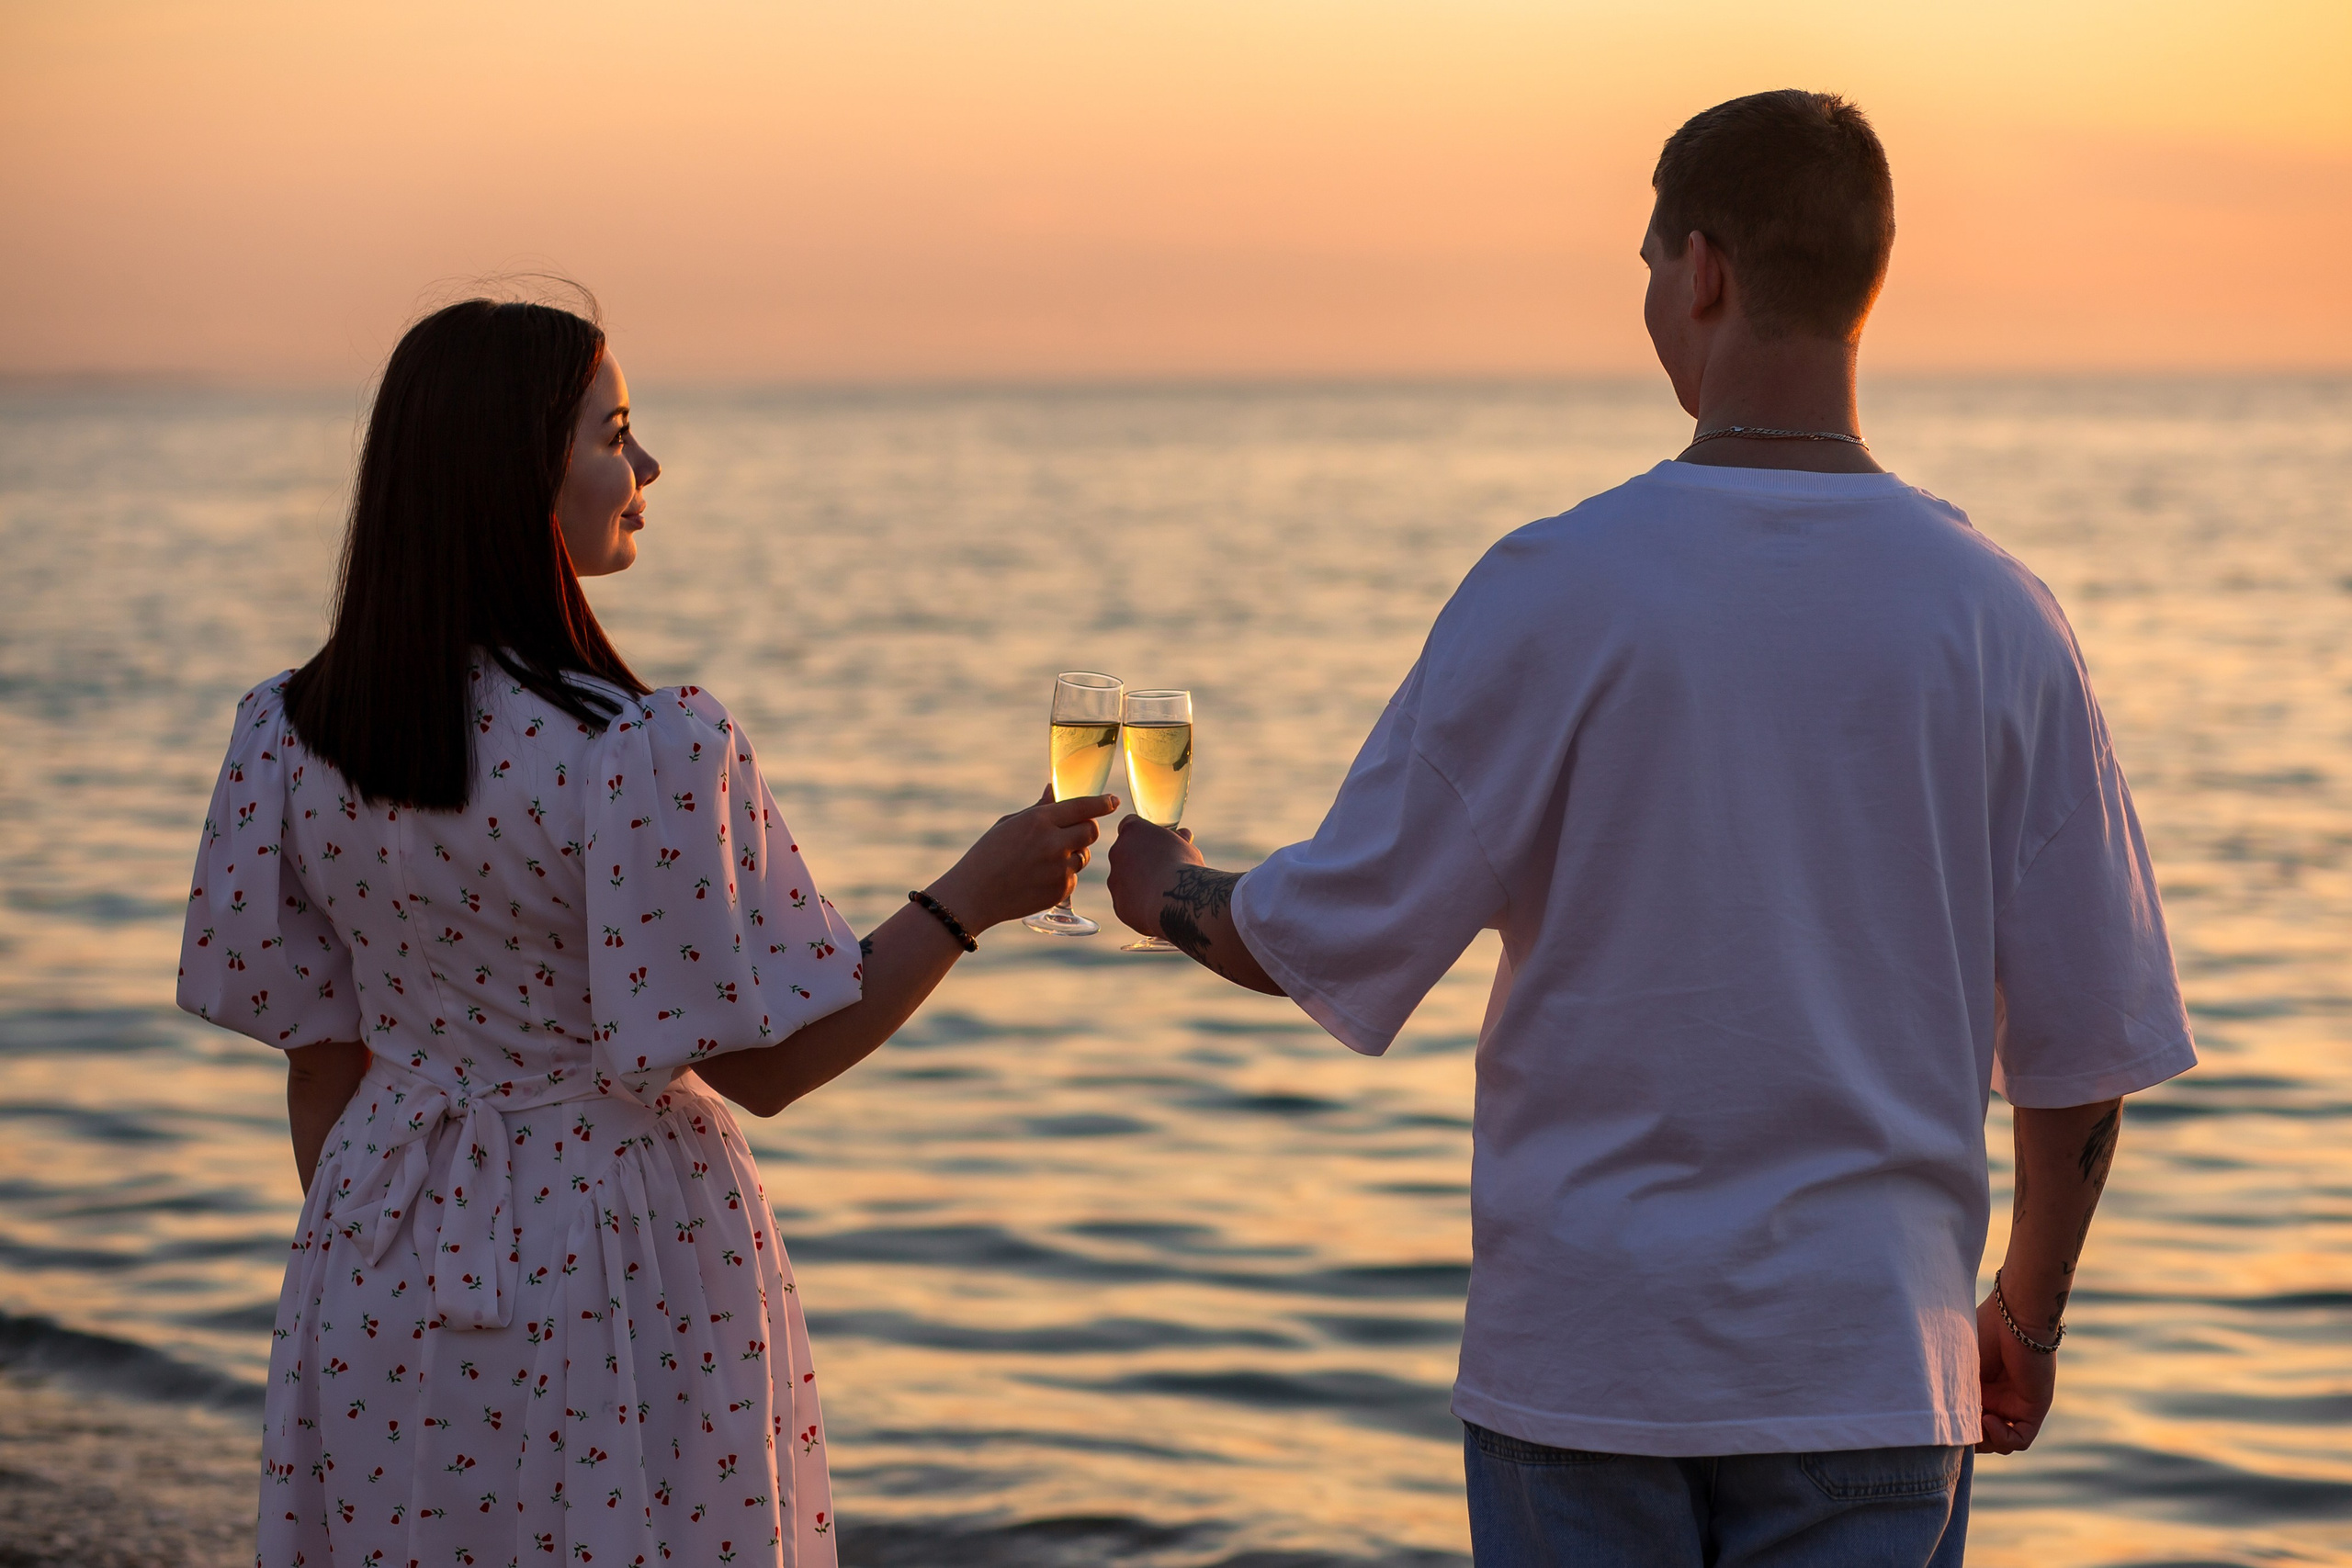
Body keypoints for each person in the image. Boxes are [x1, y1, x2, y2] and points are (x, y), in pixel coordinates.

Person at [1107, 90, 2194, 1566]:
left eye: (1646, 263)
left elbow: (1329, 933)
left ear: (1706, 272)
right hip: (1873, 1367)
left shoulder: (1558, 587)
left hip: (1590, 1367)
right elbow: (2083, 1053)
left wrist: (1166, 884)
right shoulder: (1998, 616)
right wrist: (2028, 1314)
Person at [175, 298, 1115, 1568]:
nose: (647, 466)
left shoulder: (288, 736)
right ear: (517, 472)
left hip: (374, 1243)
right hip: (616, 1251)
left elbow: (320, 1064)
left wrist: (399, 1254)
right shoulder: (637, 751)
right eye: (615, 434)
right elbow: (767, 1067)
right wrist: (970, 897)